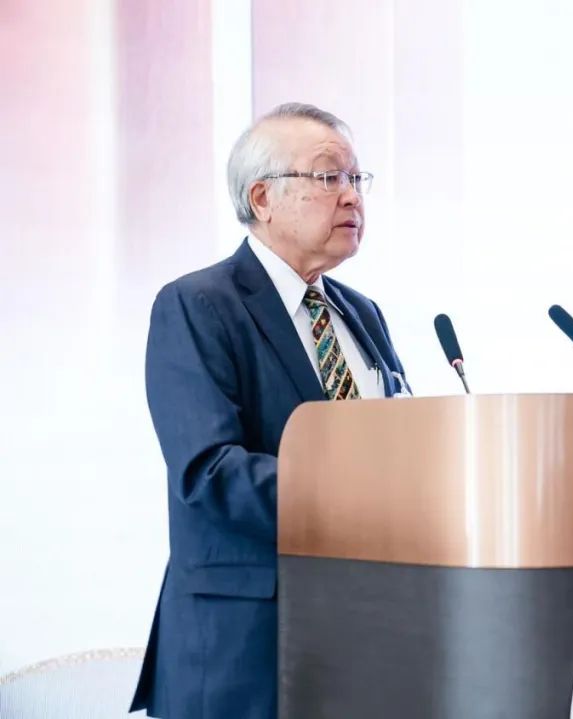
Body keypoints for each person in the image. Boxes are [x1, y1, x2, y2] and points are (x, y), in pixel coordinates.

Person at [129, 102, 409, 718]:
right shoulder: (198, 305)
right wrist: (363, 496)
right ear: (263, 198)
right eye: (329, 177)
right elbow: (209, 471)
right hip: (245, 648)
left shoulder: (362, 314)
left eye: (356, 178)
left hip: (361, 635)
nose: (352, 196)